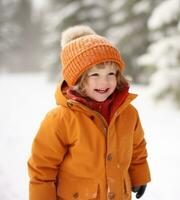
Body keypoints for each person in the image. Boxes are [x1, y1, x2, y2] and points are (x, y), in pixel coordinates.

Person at [27, 25, 151, 200]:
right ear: (78, 79)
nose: (104, 82)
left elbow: (137, 147)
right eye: (94, 75)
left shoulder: (128, 113)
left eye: (111, 74)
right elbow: (42, 168)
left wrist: (139, 175)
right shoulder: (60, 119)